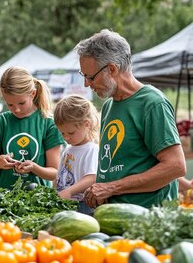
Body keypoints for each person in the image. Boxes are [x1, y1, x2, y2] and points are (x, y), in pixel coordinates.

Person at [76, 29, 186, 209]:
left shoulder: (152, 103)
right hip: (113, 218)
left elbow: (176, 166)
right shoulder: (109, 106)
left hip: (147, 220)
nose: (86, 84)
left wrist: (111, 188)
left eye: (90, 76)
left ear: (111, 69)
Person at [0, 67, 63, 189]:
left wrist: (34, 168)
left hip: (39, 198)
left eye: (21, 103)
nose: (17, 109)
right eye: (10, 104)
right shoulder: (0, 122)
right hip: (3, 199)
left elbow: (55, 173)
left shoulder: (48, 124)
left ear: (33, 93)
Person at [54, 94, 100, 215]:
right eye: (62, 133)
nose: (66, 137)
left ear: (86, 124)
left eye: (71, 132)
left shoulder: (92, 149)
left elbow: (92, 178)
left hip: (83, 205)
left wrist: (69, 191)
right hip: (66, 203)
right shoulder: (68, 149)